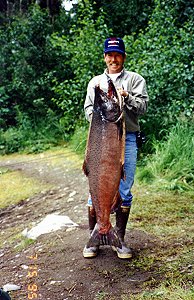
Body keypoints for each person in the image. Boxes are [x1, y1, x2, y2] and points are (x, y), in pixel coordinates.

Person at [83, 37, 149, 259]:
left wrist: (126, 97)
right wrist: (101, 114)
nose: (114, 59)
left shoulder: (135, 80)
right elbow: (88, 109)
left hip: (127, 139)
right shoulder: (94, 82)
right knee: (96, 189)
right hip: (99, 141)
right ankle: (96, 237)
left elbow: (143, 107)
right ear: (104, 57)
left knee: (124, 188)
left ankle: (118, 239)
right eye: (110, 55)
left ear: (124, 57)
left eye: (117, 55)